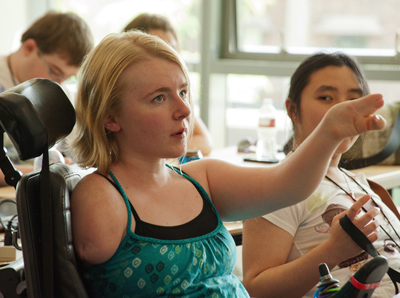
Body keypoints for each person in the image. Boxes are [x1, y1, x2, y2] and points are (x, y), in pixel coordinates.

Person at [70, 32, 385, 297]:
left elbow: (290, 186)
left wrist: (329, 131)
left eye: (183, 92)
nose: (184, 109)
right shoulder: (100, 195)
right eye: (159, 98)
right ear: (109, 117)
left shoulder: (202, 177)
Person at [242, 52, 400, 298]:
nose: (343, 109)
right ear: (293, 110)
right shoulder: (275, 187)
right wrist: (332, 250)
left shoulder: (363, 185)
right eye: (326, 97)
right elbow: (256, 289)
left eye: (354, 98)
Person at [0, 11, 94, 186]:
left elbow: (81, 150)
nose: (58, 83)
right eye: (55, 71)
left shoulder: (60, 92)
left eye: (67, 78)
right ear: (29, 48)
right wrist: (43, 172)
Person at [123, 12, 213, 156]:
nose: (167, 55)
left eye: (172, 49)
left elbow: (205, 140)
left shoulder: (176, 93)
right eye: (158, 48)